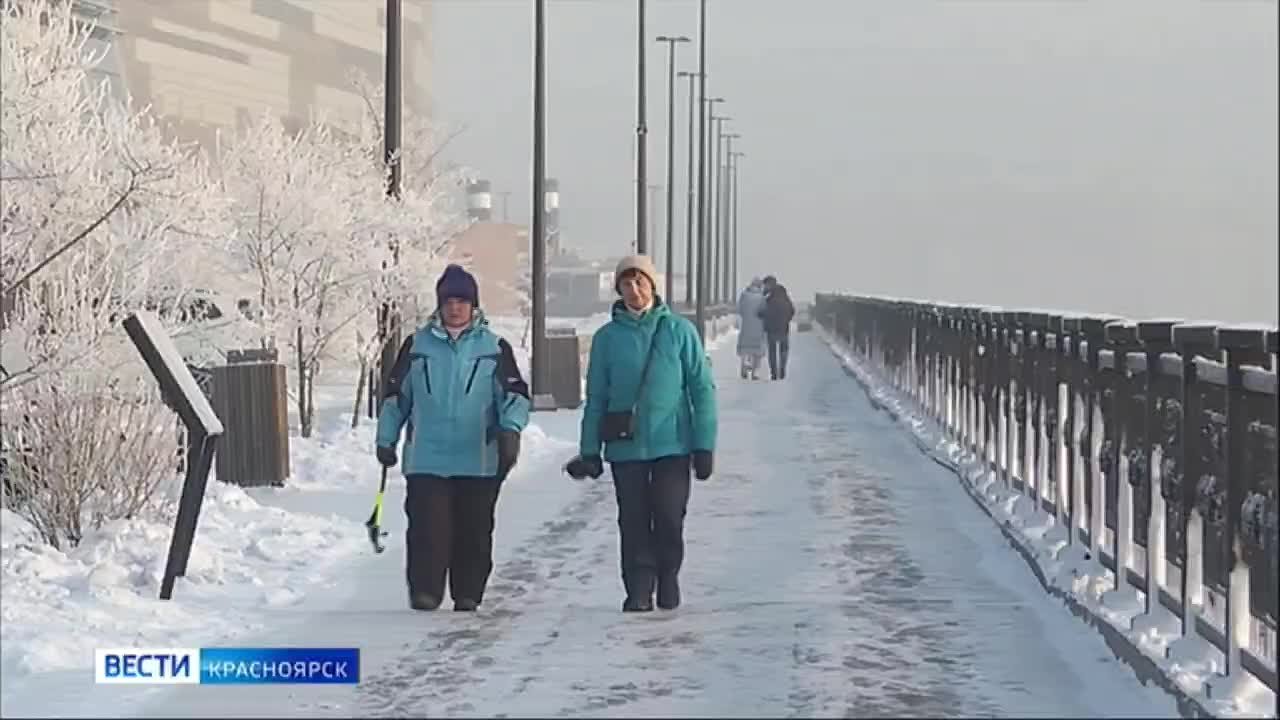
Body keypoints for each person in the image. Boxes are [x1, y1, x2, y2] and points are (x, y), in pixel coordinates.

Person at [564, 255, 717, 613]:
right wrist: (590, 450)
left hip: (672, 444)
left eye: (640, 283)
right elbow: (596, 397)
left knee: (668, 515)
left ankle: (668, 574)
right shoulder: (607, 338)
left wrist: (704, 444)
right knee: (632, 520)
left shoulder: (679, 331)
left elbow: (702, 389)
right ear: (618, 289)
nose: (634, 290)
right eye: (626, 284)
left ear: (653, 286)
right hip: (625, 445)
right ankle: (638, 587)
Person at [376, 264, 530, 612]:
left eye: (462, 301)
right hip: (427, 458)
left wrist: (511, 429)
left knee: (474, 532)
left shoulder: (494, 347)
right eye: (448, 301)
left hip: (478, 458)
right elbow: (396, 396)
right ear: (439, 305)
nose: (455, 307)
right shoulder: (416, 346)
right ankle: (425, 590)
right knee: (428, 529)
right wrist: (386, 439)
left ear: (474, 305)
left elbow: (515, 396)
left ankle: (468, 592)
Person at [760, 275, 795, 380]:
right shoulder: (784, 296)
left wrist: (762, 316)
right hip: (784, 328)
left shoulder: (769, 299)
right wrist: (787, 319)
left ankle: (774, 373)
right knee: (783, 350)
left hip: (771, 329)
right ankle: (782, 369)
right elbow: (792, 310)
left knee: (772, 351)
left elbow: (764, 312)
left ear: (769, 284)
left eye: (765, 285)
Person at [735, 278, 767, 380]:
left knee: (745, 348)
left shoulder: (744, 296)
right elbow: (764, 311)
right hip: (759, 326)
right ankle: (755, 372)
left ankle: (744, 366)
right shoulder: (762, 298)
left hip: (746, 326)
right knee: (757, 351)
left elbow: (739, 310)